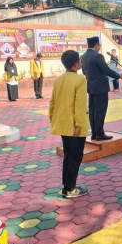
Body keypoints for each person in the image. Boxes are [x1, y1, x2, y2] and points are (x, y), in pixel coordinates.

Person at [49, 50, 89, 199]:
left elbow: (52, 102)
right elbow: (80, 105)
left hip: (62, 123)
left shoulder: (59, 79)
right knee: (75, 157)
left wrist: (52, 118)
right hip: (74, 125)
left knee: (68, 155)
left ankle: (67, 186)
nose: (81, 62)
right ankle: (70, 189)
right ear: (75, 64)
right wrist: (79, 124)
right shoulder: (80, 80)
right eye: (79, 60)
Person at [82, 36, 122, 141]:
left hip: (91, 87)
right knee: (100, 110)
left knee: (92, 110)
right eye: (99, 45)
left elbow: (83, 72)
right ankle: (100, 133)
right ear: (96, 45)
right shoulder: (98, 56)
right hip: (101, 87)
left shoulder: (84, 56)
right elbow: (106, 70)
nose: (99, 47)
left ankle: (94, 133)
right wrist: (118, 75)